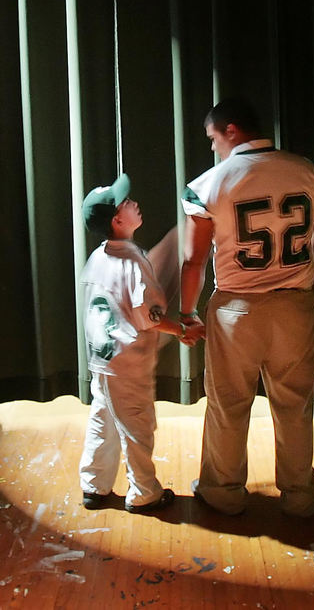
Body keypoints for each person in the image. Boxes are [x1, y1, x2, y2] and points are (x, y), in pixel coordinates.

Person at [179, 97, 314, 517]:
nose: (212, 147)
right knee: (295, 405)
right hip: (295, 305)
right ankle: (300, 496)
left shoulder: (209, 183)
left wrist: (188, 313)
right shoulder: (306, 171)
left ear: (230, 130)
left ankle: (224, 492)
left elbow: (193, 259)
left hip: (237, 309)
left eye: (212, 137)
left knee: (228, 403)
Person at [78, 173, 204, 514]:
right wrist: (182, 330)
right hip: (127, 363)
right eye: (126, 202)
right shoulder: (132, 262)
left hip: (102, 361)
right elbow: (147, 316)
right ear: (119, 220)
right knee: (137, 426)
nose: (134, 202)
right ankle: (144, 492)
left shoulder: (97, 257)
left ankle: (94, 484)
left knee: (103, 419)